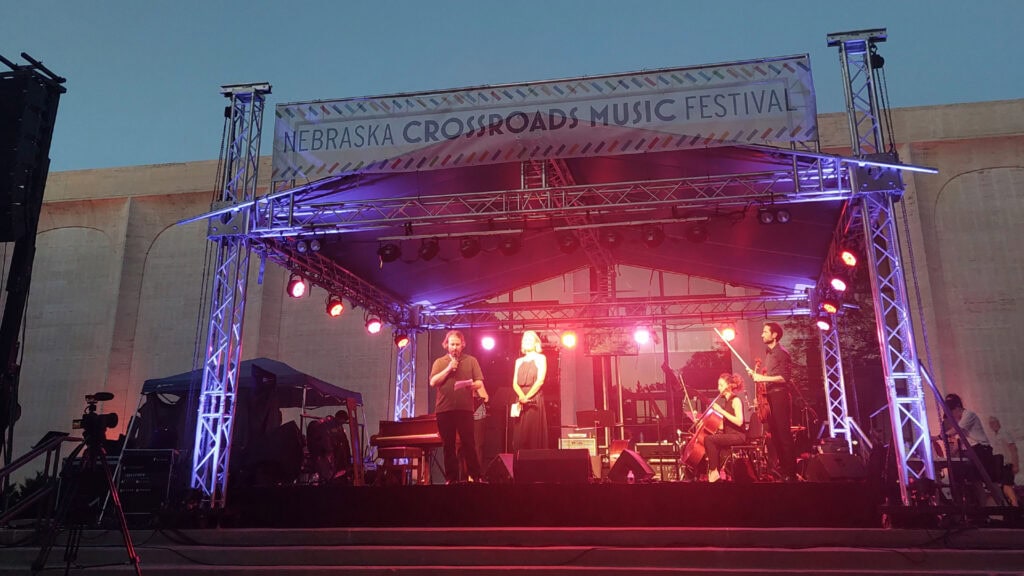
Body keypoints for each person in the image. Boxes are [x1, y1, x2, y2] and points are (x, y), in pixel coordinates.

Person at [430, 330, 489, 483]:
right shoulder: (440, 362)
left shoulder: (471, 361)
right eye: (452, 344)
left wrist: (473, 385)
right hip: (444, 409)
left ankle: (475, 476)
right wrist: (449, 368)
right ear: (446, 345)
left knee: (469, 442)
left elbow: (480, 382)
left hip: (465, 409)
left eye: (457, 344)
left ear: (462, 345)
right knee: (448, 445)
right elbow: (433, 382)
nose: (455, 347)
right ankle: (451, 479)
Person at [747, 322, 797, 482]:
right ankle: (784, 471)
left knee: (784, 435)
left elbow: (785, 377)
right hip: (771, 397)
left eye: (765, 332)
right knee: (775, 436)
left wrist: (762, 377)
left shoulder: (782, 353)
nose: (762, 334)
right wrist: (756, 376)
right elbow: (768, 379)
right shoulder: (769, 354)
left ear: (774, 335)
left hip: (780, 396)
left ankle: (791, 472)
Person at [702, 373, 746, 483]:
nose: (718, 388)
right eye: (718, 385)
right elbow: (726, 424)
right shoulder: (727, 402)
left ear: (728, 386)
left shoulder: (736, 400)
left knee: (709, 440)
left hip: (738, 436)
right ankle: (714, 472)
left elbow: (739, 421)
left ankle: (714, 472)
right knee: (710, 438)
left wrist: (721, 411)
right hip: (730, 434)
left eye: (721, 385)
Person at [511, 330, 548, 452]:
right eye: (525, 340)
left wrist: (527, 397)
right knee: (519, 436)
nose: (526, 342)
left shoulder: (541, 358)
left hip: (533, 398)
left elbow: (540, 380)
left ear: (535, 343)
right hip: (521, 399)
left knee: (532, 434)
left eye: (529, 340)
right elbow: (515, 383)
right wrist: (522, 397)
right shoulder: (518, 361)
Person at [988, 416, 1021, 506]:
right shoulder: (996, 436)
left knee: (1007, 486)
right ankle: (1014, 504)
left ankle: (1015, 506)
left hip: (1007, 464)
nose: (992, 425)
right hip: (1001, 465)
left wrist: (1015, 464)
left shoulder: (1004, 433)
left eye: (994, 422)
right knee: (1004, 487)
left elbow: (1013, 448)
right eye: (990, 423)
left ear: (998, 423)